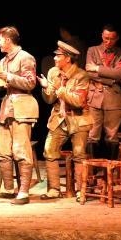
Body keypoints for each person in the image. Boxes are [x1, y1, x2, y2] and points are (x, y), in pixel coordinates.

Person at [37, 41, 91, 201]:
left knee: (79, 154)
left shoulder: (81, 75)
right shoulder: (53, 72)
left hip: (78, 118)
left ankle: (81, 191)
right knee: (49, 151)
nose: (54, 58)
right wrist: (46, 87)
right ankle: (54, 189)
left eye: (58, 56)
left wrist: (59, 89)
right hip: (58, 118)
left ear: (67, 58)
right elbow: (49, 99)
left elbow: (79, 101)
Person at [0, 25, 38, 205]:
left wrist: (7, 76)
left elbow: (30, 83)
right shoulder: (4, 60)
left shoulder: (25, 57)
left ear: (8, 40)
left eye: (0, 40)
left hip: (22, 107)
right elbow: (4, 84)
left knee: (21, 150)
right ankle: (9, 189)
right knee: (2, 150)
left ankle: (23, 193)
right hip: (7, 108)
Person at [84, 24, 121, 160]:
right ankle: (92, 169)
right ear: (101, 36)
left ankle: (111, 169)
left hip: (114, 99)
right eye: (106, 38)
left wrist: (97, 68)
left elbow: (119, 74)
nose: (108, 42)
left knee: (112, 135)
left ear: (117, 38)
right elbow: (88, 73)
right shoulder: (92, 50)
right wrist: (111, 80)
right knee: (92, 134)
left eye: (111, 39)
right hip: (94, 98)